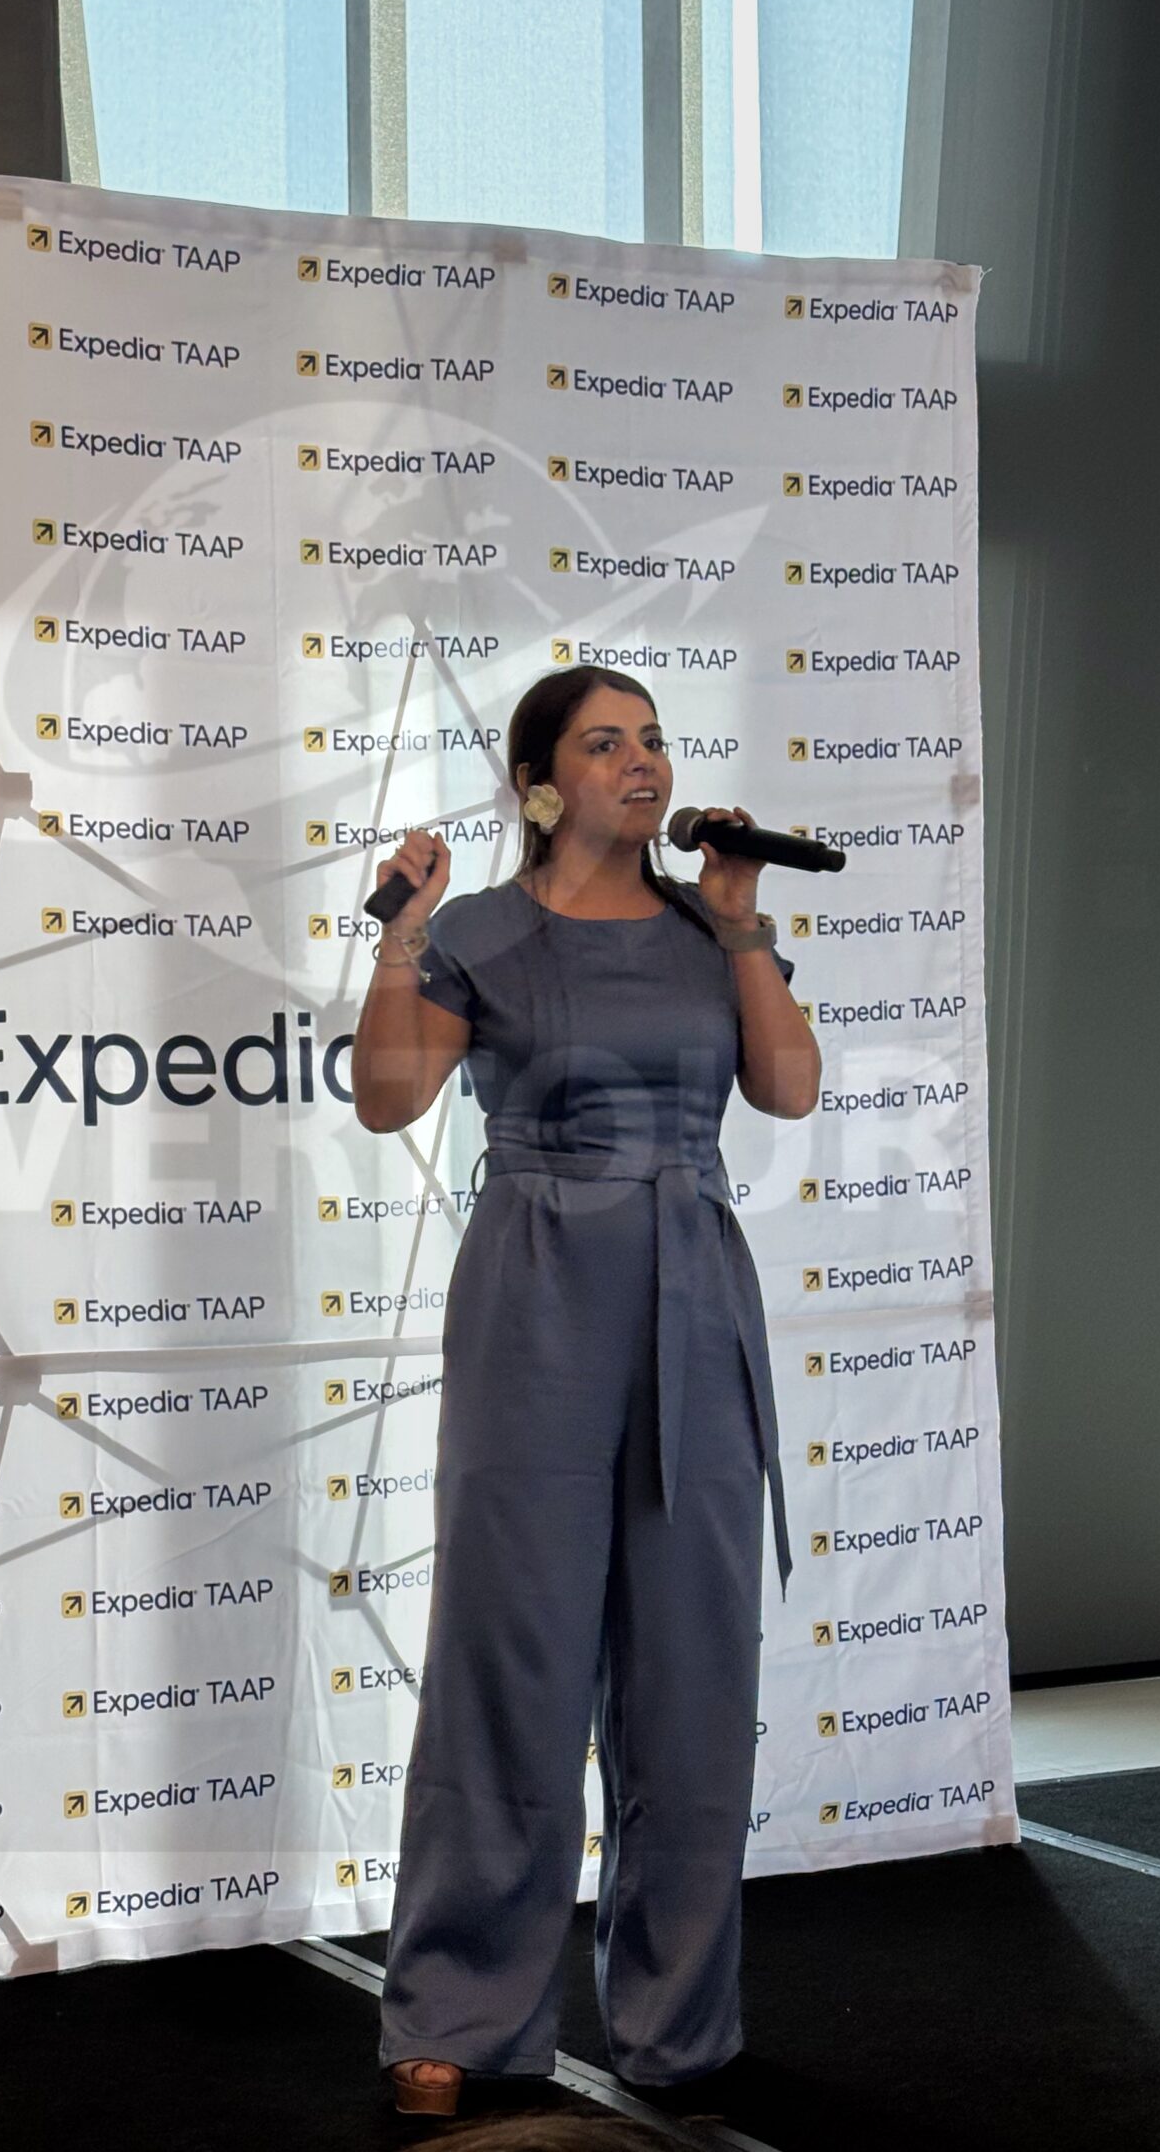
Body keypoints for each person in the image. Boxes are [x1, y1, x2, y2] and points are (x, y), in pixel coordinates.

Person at [348, 664, 820, 2122]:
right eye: (607, 743)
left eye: (654, 740)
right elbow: (387, 1096)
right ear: (541, 785)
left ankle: (677, 2023)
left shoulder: (705, 926)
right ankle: (456, 2014)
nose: (643, 763)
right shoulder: (482, 932)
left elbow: (789, 1087)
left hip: (694, 1289)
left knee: (692, 1664)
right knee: (512, 1653)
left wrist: (740, 919)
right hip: (538, 1289)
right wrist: (401, 935)